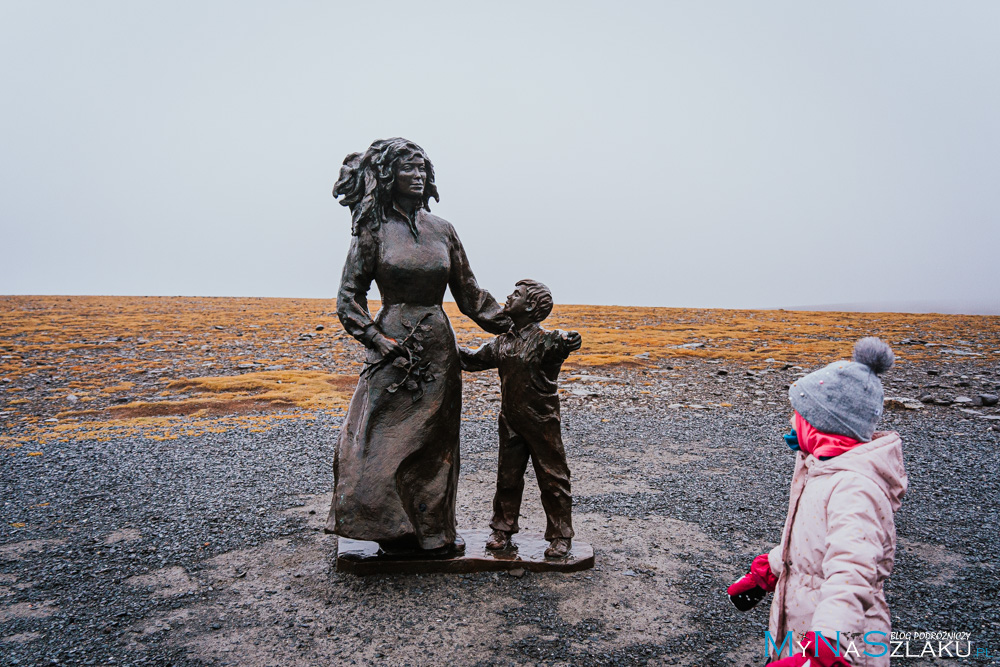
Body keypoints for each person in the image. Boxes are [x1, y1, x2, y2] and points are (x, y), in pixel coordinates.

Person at [325, 138, 511, 555]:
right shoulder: (372, 229)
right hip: (391, 347)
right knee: (379, 437)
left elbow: (470, 295)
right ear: (389, 176)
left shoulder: (443, 230)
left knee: (435, 443)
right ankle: (384, 525)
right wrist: (375, 339)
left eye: (423, 168)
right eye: (408, 168)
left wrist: (513, 322)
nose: (418, 175)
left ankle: (432, 533)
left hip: (438, 349)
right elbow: (347, 298)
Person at [726, 338, 907, 666]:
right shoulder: (821, 471)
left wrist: (827, 649)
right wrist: (771, 569)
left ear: (825, 425)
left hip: (838, 648)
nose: (792, 423)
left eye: (800, 415)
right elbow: (811, 547)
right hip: (800, 630)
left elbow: (852, 572)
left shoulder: (854, 488)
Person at [459, 279, 582, 558]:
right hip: (510, 422)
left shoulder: (546, 341)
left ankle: (561, 535)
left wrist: (571, 339)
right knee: (507, 478)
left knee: (552, 478)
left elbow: (564, 340)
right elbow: (471, 360)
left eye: (515, 294)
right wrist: (443, 343)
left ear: (530, 306)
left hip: (542, 423)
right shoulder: (501, 343)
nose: (507, 297)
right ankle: (502, 530)